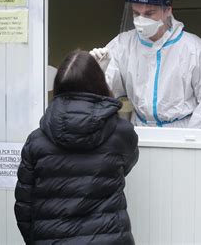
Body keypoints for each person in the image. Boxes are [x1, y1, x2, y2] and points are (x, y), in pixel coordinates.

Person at [14, 50, 139, 245]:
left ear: (58, 87)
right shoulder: (120, 133)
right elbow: (127, 164)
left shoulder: (36, 141)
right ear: (99, 84)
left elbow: (24, 206)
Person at [90, 0, 201, 129]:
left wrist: (192, 140)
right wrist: (96, 75)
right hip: (139, 131)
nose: (141, 20)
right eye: (136, 13)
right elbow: (107, 92)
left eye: (149, 13)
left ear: (167, 10)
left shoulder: (195, 49)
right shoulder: (123, 44)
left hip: (181, 132)